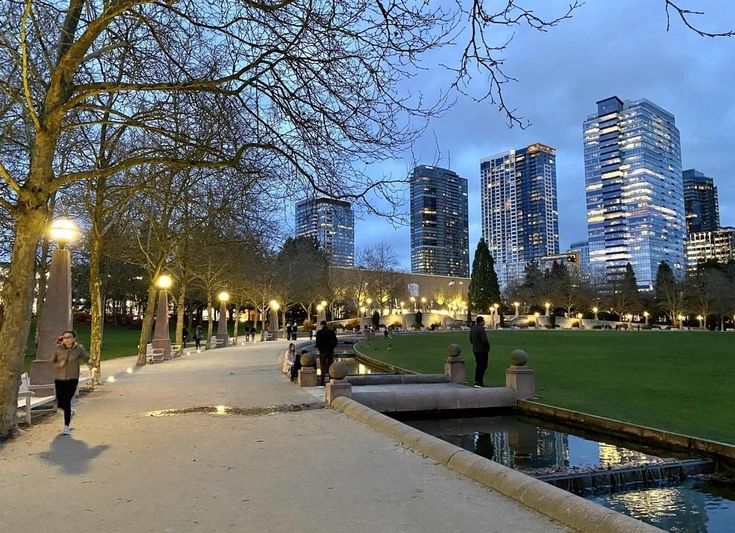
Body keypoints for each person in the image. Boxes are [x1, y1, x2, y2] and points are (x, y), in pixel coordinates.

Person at [51, 330, 91, 435]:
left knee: (67, 401)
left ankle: (66, 426)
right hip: (59, 378)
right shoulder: (58, 349)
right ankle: (70, 412)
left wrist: (90, 364)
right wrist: (59, 365)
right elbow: (52, 361)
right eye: (64, 337)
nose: (66, 339)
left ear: (73, 339)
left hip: (72, 379)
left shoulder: (79, 349)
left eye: (68, 337)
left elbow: (86, 358)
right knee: (60, 404)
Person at [469, 316, 490, 388]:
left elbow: (471, 339)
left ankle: (477, 381)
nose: (484, 322)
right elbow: (484, 340)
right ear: (481, 321)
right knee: (483, 366)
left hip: (475, 349)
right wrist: (487, 347)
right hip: (482, 350)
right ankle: (479, 382)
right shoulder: (481, 329)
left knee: (478, 365)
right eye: (483, 321)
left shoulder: (473, 328)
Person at [315, 320, 337, 386]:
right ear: (326, 324)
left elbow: (317, 342)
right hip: (330, 351)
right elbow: (335, 341)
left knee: (322, 367)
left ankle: (322, 381)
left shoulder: (319, 332)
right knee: (330, 365)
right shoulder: (331, 332)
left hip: (322, 351)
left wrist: (320, 349)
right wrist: (332, 348)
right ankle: (330, 379)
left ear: (321, 325)